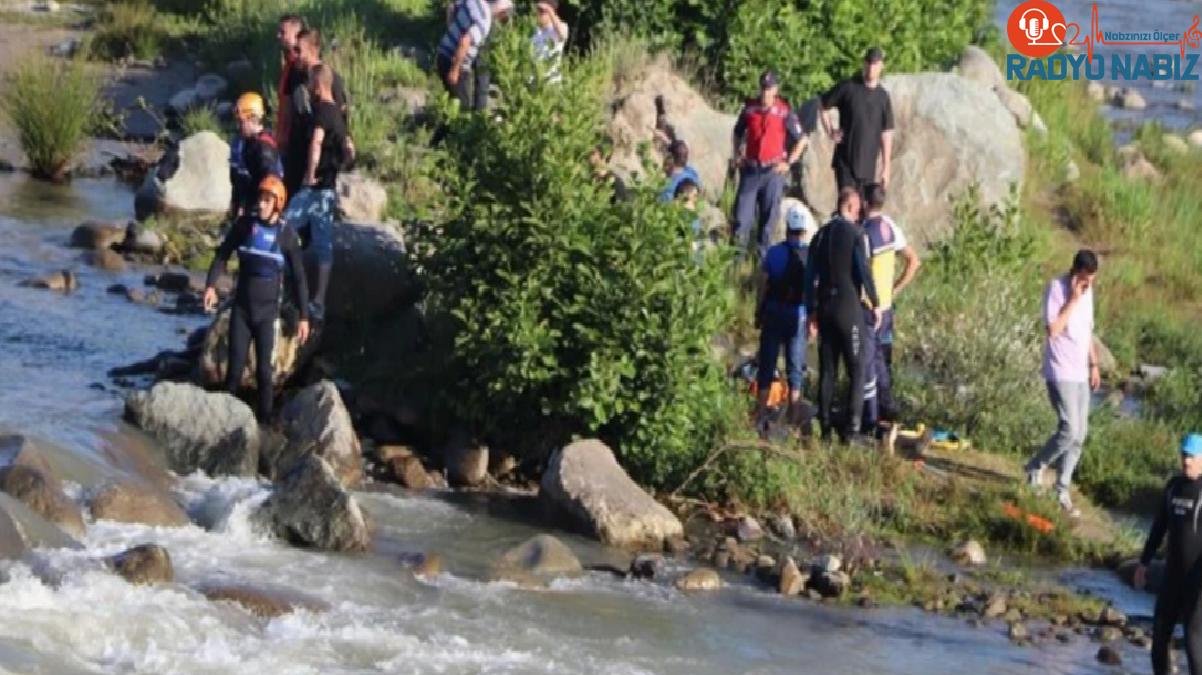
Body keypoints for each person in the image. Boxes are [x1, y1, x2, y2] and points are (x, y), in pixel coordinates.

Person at [203, 176, 310, 421]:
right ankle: (223, 420)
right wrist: (210, 286)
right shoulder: (245, 225)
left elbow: (300, 278)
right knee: (234, 370)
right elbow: (222, 254)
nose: (261, 205)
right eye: (260, 199)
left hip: (267, 314)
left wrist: (304, 316)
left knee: (264, 372)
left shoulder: (286, 235)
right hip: (241, 310)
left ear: (278, 204)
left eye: (266, 201)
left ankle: (264, 423)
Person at [1024, 249, 1101, 518]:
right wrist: (1072, 299)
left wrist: (1094, 364)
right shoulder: (1056, 288)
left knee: (1080, 435)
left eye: (1092, 279)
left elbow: (1088, 331)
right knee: (1068, 428)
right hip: (1060, 370)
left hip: (1081, 371)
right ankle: (1036, 466)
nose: (1089, 283)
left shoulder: (1089, 291)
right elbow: (1053, 330)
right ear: (1075, 271)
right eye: (1085, 277)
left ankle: (1062, 489)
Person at [805, 187, 881, 443]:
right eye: (858, 209)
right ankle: (851, 430)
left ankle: (825, 428)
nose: (860, 213)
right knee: (857, 368)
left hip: (825, 307)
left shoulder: (820, 235)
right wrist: (876, 302)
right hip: (848, 310)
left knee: (828, 370)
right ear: (850, 207)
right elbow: (862, 270)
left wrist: (811, 310)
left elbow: (809, 276)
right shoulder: (855, 234)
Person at [283, 64, 350, 323]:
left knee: (283, 229)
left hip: (314, 189)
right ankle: (318, 301)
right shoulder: (340, 117)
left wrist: (309, 174)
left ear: (319, 84)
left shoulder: (322, 111)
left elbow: (316, 143)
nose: (308, 87)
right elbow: (348, 149)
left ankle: (285, 287)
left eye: (311, 82)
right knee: (323, 246)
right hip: (328, 189)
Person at [1136, 433, 1202, 675]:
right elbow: (1159, 527)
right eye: (1184, 455)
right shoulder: (1173, 487)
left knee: (1194, 644)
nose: (1187, 461)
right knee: (1159, 638)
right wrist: (1143, 562)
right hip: (1171, 576)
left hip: (1197, 582)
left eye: (1193, 457)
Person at [859, 184, 920, 428]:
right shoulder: (891, 227)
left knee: (873, 363)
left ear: (864, 202)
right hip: (887, 307)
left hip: (870, 308)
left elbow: (860, 272)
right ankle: (885, 413)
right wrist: (895, 289)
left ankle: (879, 413)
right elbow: (914, 261)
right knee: (885, 360)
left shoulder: (864, 232)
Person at [732, 70, 806, 258]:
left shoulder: (784, 111)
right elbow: (737, 132)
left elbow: (802, 140)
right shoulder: (750, 108)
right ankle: (736, 262)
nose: (765, 93)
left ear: (776, 89)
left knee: (768, 221)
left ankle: (762, 265)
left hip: (773, 171)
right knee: (742, 219)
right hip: (751, 170)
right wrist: (737, 153)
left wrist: (788, 162)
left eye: (769, 89)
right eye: (763, 88)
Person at [754, 203, 812, 435]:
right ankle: (794, 416)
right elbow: (813, 290)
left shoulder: (774, 253)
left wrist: (758, 312)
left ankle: (760, 413)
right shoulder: (810, 256)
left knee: (767, 364)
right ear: (804, 231)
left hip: (774, 312)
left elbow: (764, 284)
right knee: (795, 367)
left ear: (787, 228)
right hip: (797, 314)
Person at [820, 47, 894, 194]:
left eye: (875, 64)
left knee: (862, 210)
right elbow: (823, 106)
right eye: (868, 63)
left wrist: (886, 168)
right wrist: (830, 131)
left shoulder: (883, 97)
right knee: (847, 205)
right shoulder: (848, 87)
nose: (871, 68)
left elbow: (887, 133)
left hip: (868, 165)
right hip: (845, 161)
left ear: (881, 66)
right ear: (864, 64)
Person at [437, 0, 512, 112]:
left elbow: (451, 8)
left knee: (453, 106)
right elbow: (465, 41)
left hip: (443, 54)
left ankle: (443, 127)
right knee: (462, 111)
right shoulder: (485, 21)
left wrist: (453, 32)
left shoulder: (475, 2)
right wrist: (455, 70)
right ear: (501, 14)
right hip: (455, 63)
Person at [228, 92, 283, 221]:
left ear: (252, 118)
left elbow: (271, 186)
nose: (239, 126)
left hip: (258, 210)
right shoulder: (249, 142)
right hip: (247, 204)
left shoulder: (263, 149)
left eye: (241, 122)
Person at [274, 14, 306, 151]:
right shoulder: (289, 63)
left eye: (283, 32)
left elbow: (296, 107)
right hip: (288, 136)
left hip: (296, 138)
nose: (278, 36)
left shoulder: (299, 67)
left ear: (296, 35)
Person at [531, 0, 568, 82]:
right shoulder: (534, 31)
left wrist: (548, 9)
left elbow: (562, 34)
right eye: (538, 10)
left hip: (551, 81)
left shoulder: (559, 28)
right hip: (533, 80)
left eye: (542, 11)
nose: (539, 14)